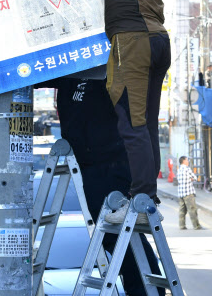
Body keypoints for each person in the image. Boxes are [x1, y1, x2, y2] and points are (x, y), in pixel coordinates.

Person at [55, 0, 171, 223]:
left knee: (130, 122)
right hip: (159, 39)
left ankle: (141, 200)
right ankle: (148, 195)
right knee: (146, 121)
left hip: (132, 39)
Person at [36, 77, 164, 296]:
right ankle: (144, 290)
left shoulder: (112, 66)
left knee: (121, 233)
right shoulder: (70, 72)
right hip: (90, 162)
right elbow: (41, 76)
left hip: (112, 162)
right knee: (116, 233)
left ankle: (145, 291)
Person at [176, 156, 202, 230]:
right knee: (192, 210)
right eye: (187, 160)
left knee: (182, 210)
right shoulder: (187, 169)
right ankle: (196, 225)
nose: (188, 161)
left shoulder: (179, 169)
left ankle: (182, 225)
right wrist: (191, 179)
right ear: (183, 161)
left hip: (181, 193)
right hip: (188, 193)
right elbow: (195, 178)